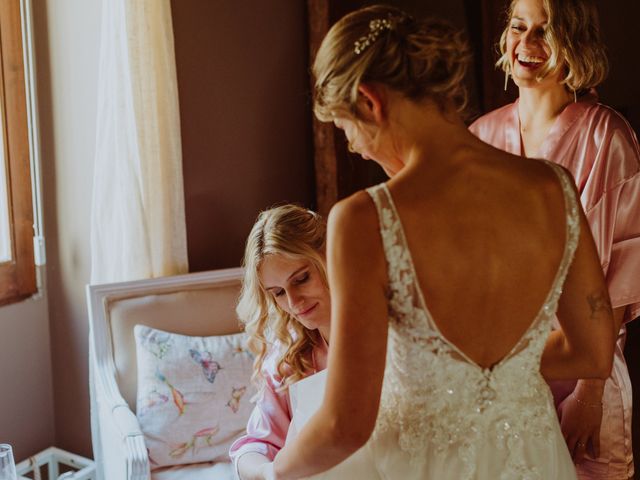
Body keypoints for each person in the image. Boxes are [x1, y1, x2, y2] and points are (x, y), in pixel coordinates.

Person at [260, 5, 618, 480]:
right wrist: (494, 366)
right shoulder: (554, 187)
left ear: (371, 101)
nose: (357, 148)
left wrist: (272, 472)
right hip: (534, 457)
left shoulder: (363, 219)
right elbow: (594, 352)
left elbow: (346, 426)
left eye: (348, 131)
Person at [469, 0, 640, 477]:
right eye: (519, 27)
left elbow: (624, 273)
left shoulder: (606, 138)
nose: (527, 43)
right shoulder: (479, 137)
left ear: (575, 42)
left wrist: (589, 393)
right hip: (500, 375)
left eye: (545, 31)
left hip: (585, 372)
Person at [229, 205, 331, 480]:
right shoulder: (291, 357)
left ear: (330, 257)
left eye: (301, 279)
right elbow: (254, 445)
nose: (293, 302)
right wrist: (265, 472)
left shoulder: (391, 334)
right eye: (278, 293)